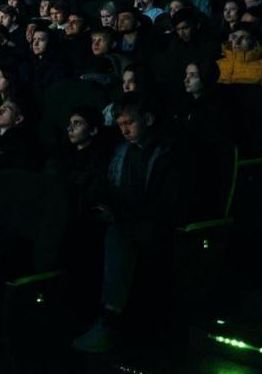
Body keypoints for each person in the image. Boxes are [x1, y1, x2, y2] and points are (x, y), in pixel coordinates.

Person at [73, 93, 184, 353]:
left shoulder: (166, 154)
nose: (124, 130)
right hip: (124, 216)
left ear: (147, 119)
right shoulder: (123, 150)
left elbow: (165, 206)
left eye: (130, 123)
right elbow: (111, 186)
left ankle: (109, 321)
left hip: (153, 226)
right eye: (120, 124)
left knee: (117, 235)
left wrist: (120, 216)